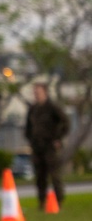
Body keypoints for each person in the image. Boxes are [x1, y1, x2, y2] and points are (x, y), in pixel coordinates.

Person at [24, 82, 70, 210]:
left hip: (50, 145)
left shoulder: (52, 107)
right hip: (37, 146)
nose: (36, 95)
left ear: (45, 92)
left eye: (38, 92)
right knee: (40, 175)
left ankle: (58, 200)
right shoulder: (33, 109)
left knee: (54, 174)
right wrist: (30, 139)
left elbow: (65, 122)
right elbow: (28, 127)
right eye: (35, 92)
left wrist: (58, 138)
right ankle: (42, 201)